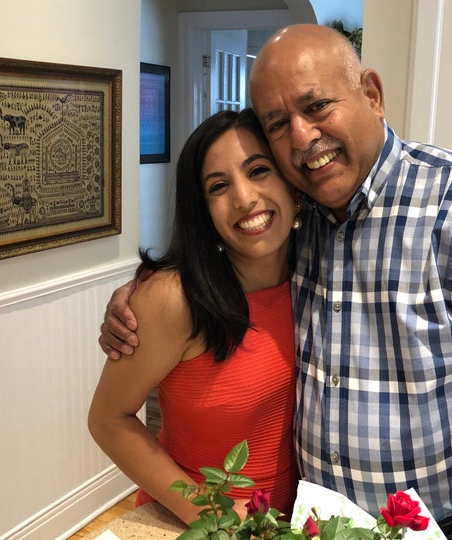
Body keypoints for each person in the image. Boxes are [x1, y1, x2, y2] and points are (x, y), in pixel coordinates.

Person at [100, 25, 452, 540]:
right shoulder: (303, 224)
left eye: (318, 105)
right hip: (323, 526)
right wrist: (139, 297)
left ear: (372, 94)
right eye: (278, 124)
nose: (302, 137)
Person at [88, 108, 301, 526]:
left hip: (293, 520)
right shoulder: (174, 299)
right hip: (197, 523)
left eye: (258, 170)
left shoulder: (317, 273)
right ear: (202, 210)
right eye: (218, 186)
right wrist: (215, 517)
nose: (244, 198)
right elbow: (108, 420)